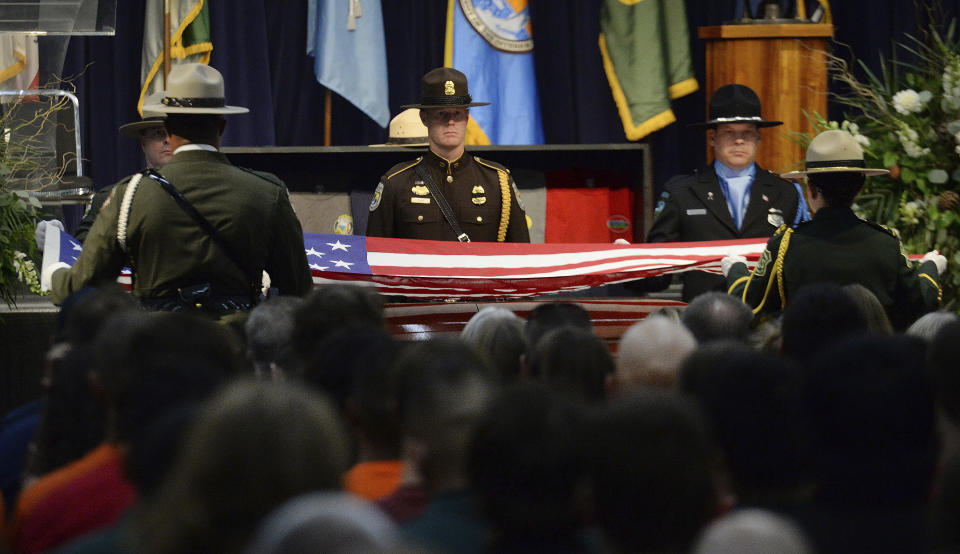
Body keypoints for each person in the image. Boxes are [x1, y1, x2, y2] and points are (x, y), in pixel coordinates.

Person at [38, 63, 312, 314]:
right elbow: (297, 288)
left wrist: (54, 273)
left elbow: (86, 282)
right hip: (235, 351)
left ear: (168, 129)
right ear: (222, 126)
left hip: (156, 348)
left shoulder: (131, 195)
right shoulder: (267, 192)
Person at [724, 129, 944, 330]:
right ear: (860, 187)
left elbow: (749, 306)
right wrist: (930, 268)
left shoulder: (787, 245)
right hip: (874, 367)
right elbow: (920, 305)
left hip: (807, 368)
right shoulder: (887, 242)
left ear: (810, 187)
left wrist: (736, 271)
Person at [645, 84, 808, 302]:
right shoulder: (682, 192)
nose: (739, 140)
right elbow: (658, 271)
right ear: (712, 138)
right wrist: (625, 263)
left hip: (768, 315)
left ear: (759, 139)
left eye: (747, 133)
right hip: (703, 317)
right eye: (729, 132)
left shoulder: (785, 192)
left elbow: (800, 260)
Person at [366, 67, 530, 243]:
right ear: (424, 119)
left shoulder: (497, 182)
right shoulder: (396, 182)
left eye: (457, 113)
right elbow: (375, 254)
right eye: (441, 114)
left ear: (467, 117)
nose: (450, 121)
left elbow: (519, 254)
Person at [73, 95, 173, 243]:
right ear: (143, 142)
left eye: (174, 134)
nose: (168, 140)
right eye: (159, 133)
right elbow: (83, 244)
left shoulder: (201, 191)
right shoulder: (113, 197)